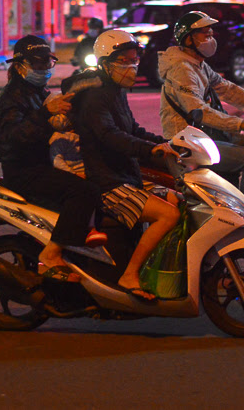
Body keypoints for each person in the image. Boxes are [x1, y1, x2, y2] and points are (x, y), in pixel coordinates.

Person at [74, 29, 181, 300]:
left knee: (180, 199)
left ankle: (156, 267)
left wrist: (171, 143)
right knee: (168, 215)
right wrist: (150, 149)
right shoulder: (95, 96)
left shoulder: (116, 91)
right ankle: (129, 275)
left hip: (126, 175)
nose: (131, 66)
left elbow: (133, 129)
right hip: (108, 183)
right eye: (124, 61)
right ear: (105, 63)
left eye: (134, 60)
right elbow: (110, 136)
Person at [0, 35, 107, 283]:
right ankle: (53, 254)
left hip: (46, 162)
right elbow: (14, 138)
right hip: (24, 171)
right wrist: (45, 114)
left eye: (47, 63)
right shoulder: (11, 99)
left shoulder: (38, 91)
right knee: (83, 191)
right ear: (20, 65)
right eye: (38, 64)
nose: (43, 69)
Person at [158, 11, 244, 211]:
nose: (210, 39)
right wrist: (241, 124)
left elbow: (227, 89)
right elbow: (198, 109)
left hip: (206, 135)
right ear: (189, 38)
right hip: (187, 142)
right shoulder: (182, 69)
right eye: (204, 34)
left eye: (211, 34)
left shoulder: (198, 64)